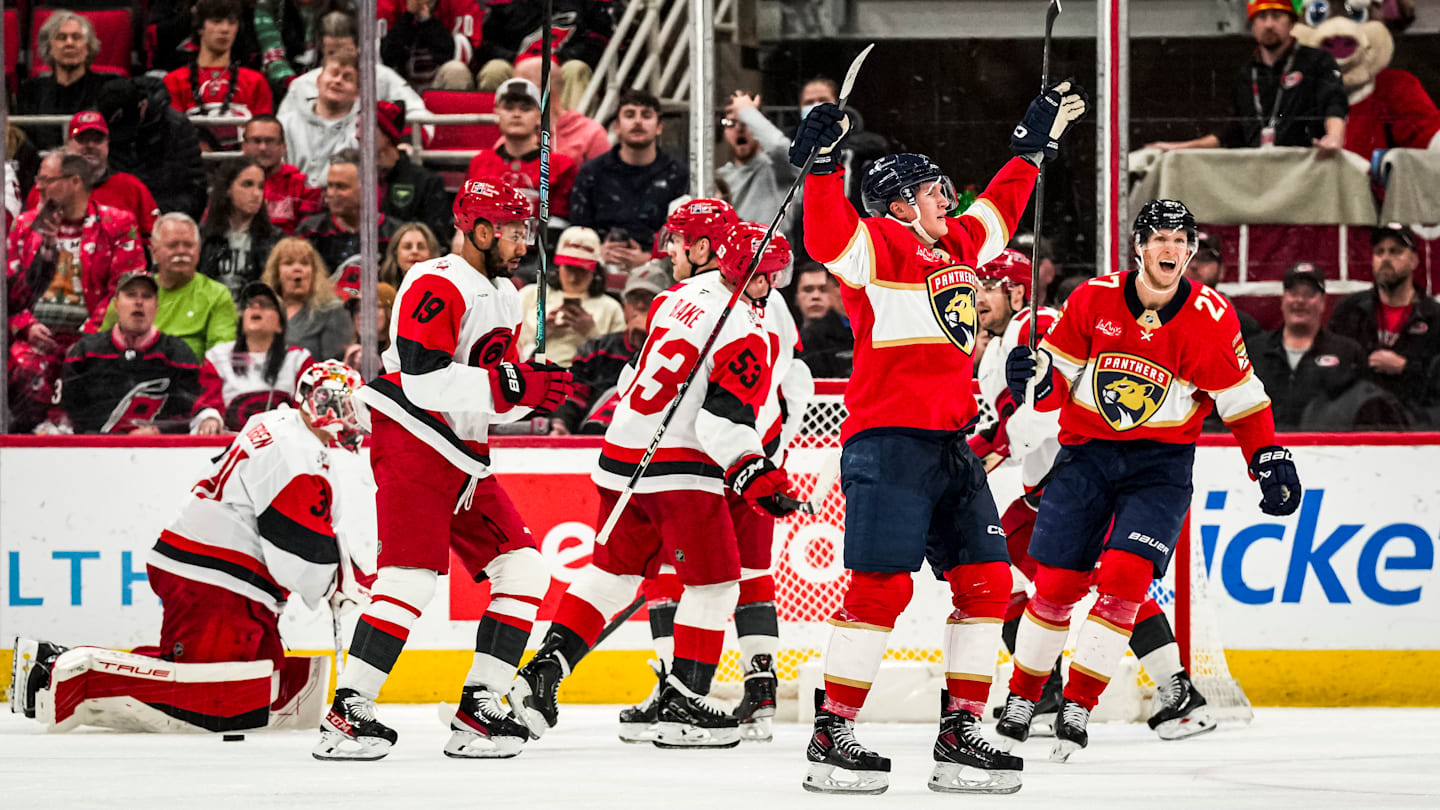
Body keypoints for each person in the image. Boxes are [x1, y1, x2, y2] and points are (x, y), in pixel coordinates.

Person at [789, 81, 1087, 794]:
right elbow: (825, 236)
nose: (947, 199)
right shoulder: (877, 244)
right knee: (879, 591)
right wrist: (825, 166)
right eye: (932, 190)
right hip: (888, 443)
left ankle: (961, 732)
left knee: (986, 583)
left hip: (952, 449)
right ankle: (834, 732)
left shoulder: (957, 242)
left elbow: (1001, 208)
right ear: (897, 203)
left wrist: (1030, 145)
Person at [997, 199, 1301, 764]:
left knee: (1123, 580)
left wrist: (1268, 456)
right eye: (1158, 237)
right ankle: (1022, 698)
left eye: (1180, 239)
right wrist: (1032, 378)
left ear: (1191, 250)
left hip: (1159, 467)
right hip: (1086, 457)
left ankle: (1080, 704)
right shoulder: (1092, 299)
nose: (1169, 248)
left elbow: (1240, 398)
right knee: (1056, 588)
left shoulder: (1211, 318)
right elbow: (1054, 384)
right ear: (1138, 245)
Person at [509, 218, 799, 750]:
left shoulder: (675, 298)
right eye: (764, 277)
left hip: (621, 458)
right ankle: (685, 704)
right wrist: (756, 473)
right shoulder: (747, 329)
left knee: (610, 578)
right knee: (713, 587)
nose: (770, 287)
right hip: (683, 469)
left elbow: (629, 379)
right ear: (744, 270)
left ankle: (541, 673)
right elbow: (720, 422)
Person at [315, 180, 574, 761]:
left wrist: (535, 393)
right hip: (411, 437)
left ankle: (478, 706)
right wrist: (514, 384)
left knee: (526, 570)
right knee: (409, 577)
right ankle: (348, 711)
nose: (521, 240)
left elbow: (489, 394)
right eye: (511, 230)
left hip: (464, 453)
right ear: (480, 230)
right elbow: (424, 377)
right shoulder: (436, 280)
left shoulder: (503, 292)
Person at [12, 360, 370, 733]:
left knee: (260, 681)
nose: (352, 416)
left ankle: (68, 667)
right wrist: (333, 583)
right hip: (216, 579)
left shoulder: (282, 426)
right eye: (347, 406)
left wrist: (336, 574)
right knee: (219, 697)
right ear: (323, 403)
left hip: (217, 572)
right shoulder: (299, 454)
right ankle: (57, 671)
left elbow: (300, 533)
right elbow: (295, 548)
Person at [971, 250, 1216, 743]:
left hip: (1085, 480)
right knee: (1009, 565)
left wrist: (992, 448)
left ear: (1016, 290)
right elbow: (1010, 428)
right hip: (1046, 490)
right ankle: (1043, 697)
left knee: (1109, 581)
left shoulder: (1035, 325)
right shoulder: (997, 348)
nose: (979, 299)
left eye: (989, 287)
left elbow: (1048, 414)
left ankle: (1176, 690)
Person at [615, 216, 814, 746]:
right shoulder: (761, 297)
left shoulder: (702, 297)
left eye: (678, 241)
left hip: (712, 457)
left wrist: (761, 453)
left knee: (692, 572)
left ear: (709, 247)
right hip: (747, 450)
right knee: (743, 572)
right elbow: (796, 380)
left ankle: (679, 691)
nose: (671, 251)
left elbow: (634, 380)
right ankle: (754, 693)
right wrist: (772, 448)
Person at [7, 152, 146, 432]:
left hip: (97, 340)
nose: (39, 188)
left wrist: (89, 335)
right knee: (23, 367)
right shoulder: (24, 225)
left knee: (95, 368)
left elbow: (127, 288)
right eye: (38, 180)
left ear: (74, 182)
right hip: (35, 337)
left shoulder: (118, 224)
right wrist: (25, 326)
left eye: (47, 180)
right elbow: (7, 289)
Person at [1145, 0, 1346, 156]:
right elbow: (1229, 131)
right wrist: (1180, 148)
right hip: (1256, 172)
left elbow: (1334, 103)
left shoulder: (1317, 61)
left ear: (1291, 22)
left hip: (1306, 167)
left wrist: (1334, 137)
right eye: (1262, 17)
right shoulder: (1245, 72)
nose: (1269, 24)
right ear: (1252, 25)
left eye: (1276, 16)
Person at [61, 270, 202, 434]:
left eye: (147, 296)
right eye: (131, 295)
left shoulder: (179, 355)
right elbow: (66, 416)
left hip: (157, 455)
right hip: (92, 454)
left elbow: (189, 414)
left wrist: (159, 431)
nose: (139, 302)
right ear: (116, 305)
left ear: (156, 307)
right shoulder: (85, 352)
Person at [1327, 225, 1440, 417]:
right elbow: (1329, 364)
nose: (1386, 258)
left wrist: (1405, 367)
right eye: (1379, 252)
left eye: (1395, 251)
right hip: (1356, 423)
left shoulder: (1434, 317)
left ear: (1414, 260)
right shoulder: (1348, 311)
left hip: (1417, 428)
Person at [570, 89, 689, 268]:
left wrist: (650, 258)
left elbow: (683, 236)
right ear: (616, 126)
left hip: (659, 268)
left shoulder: (678, 175)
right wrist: (597, 251)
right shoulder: (592, 172)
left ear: (659, 127)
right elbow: (578, 228)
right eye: (629, 115)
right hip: (598, 264)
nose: (638, 121)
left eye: (646, 115)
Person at [548, 263, 670, 435]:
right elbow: (574, 393)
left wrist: (648, 343)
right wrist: (561, 424)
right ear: (625, 306)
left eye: (650, 298)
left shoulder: (673, 352)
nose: (641, 306)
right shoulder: (597, 348)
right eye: (634, 298)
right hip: (592, 436)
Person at [276, 11, 433, 141]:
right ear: (321, 49)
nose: (339, 59)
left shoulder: (383, 77)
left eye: (346, 51)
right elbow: (280, 131)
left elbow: (419, 116)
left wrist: (404, 144)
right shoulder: (302, 85)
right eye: (331, 52)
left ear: (359, 46)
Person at [102, 214, 239, 360]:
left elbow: (221, 355)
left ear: (198, 251)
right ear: (154, 252)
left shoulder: (216, 295)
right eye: (173, 245)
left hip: (188, 378)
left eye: (188, 245)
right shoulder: (130, 294)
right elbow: (100, 348)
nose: (181, 251)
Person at [1249, 263, 1367, 431]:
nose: (1299, 301)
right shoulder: (1254, 350)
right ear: (1282, 300)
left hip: (1328, 452)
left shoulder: (1348, 353)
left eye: (1309, 294)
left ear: (1323, 302)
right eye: (1293, 293)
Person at [193, 281, 316, 433]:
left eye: (265, 305)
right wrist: (209, 418)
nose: (256, 308)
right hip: (230, 444)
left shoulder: (298, 359)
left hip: (283, 445)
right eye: (249, 305)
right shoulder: (217, 356)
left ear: (280, 325)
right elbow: (207, 402)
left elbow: (307, 411)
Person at [20, 112, 161, 241]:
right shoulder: (45, 188)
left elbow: (154, 237)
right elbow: (26, 236)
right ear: (68, 143)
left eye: (97, 139)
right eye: (82, 139)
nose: (90, 145)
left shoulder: (132, 187)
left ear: (107, 144)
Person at [164, 0, 275, 147]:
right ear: (200, 28)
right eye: (216, 21)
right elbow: (172, 136)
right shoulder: (174, 81)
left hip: (244, 165)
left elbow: (264, 135)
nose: (225, 29)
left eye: (231, 22)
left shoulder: (255, 81)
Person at [97, 77, 208, 220]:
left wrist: (151, 212)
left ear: (142, 106)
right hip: (112, 219)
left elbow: (194, 192)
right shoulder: (100, 125)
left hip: (166, 220)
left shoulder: (176, 128)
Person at [466, 78, 579, 219]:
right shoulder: (480, 163)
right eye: (509, 108)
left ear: (540, 116)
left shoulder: (561, 166)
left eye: (525, 109)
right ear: (496, 113)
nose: (516, 114)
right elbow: (467, 219)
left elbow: (560, 223)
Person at [518, 226, 623, 365]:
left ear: (595, 271)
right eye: (569, 268)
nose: (573, 278)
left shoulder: (611, 308)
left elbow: (618, 360)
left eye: (581, 270)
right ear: (558, 266)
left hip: (586, 381)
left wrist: (591, 333)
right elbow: (512, 345)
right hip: (534, 373)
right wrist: (541, 331)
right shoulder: (530, 295)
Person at [16, 12, 112, 150]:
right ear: (49, 48)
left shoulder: (107, 88)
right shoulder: (30, 91)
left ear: (88, 47)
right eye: (61, 38)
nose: (69, 43)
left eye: (76, 37)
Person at [296, 150, 399, 273]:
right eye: (330, 186)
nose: (331, 194)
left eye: (341, 187)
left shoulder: (394, 236)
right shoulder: (309, 232)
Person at [199, 159, 284, 302]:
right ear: (227, 189)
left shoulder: (276, 240)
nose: (256, 194)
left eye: (261, 187)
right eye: (247, 184)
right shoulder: (202, 237)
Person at [276, 51, 362, 189]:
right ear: (318, 81)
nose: (338, 81)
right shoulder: (284, 124)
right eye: (334, 73)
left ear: (358, 93)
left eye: (347, 78)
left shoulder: (361, 131)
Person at [260, 237, 354, 361]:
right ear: (276, 273)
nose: (297, 268)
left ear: (314, 272)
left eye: (305, 263)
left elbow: (335, 365)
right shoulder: (263, 310)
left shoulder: (332, 310)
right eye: (288, 263)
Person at [718, 90, 798, 228]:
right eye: (731, 123)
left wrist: (747, 112)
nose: (739, 129)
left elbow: (778, 146)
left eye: (745, 122)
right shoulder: (719, 177)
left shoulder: (777, 170)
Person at [512, 55, 612, 165]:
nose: (512, 93)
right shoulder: (514, 131)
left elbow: (605, 180)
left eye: (520, 86)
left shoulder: (590, 134)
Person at [377, 102, 453, 243]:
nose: (357, 135)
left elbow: (434, 238)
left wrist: (382, 222)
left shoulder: (426, 182)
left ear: (387, 134)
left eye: (363, 128)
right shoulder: (354, 178)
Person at [240, 115, 323, 235]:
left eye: (270, 141)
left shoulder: (303, 186)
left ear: (283, 147)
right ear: (244, 146)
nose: (263, 148)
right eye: (256, 141)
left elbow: (309, 236)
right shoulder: (230, 184)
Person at [1182, 230, 1261, 344]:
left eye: (1205, 258)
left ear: (1221, 271)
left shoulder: (1243, 326)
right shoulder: (1154, 320)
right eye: (1187, 257)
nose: (1194, 265)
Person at [793, 262, 853, 379]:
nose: (816, 296)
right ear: (796, 297)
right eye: (808, 289)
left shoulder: (856, 334)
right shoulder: (788, 340)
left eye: (823, 289)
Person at [342, 282, 398, 373]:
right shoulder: (351, 355)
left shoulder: (403, 357)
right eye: (357, 309)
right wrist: (346, 370)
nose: (361, 315)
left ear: (389, 311)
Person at [380, 222, 441, 286]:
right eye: (407, 247)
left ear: (432, 253)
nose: (415, 251)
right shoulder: (380, 291)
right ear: (395, 253)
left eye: (421, 247)